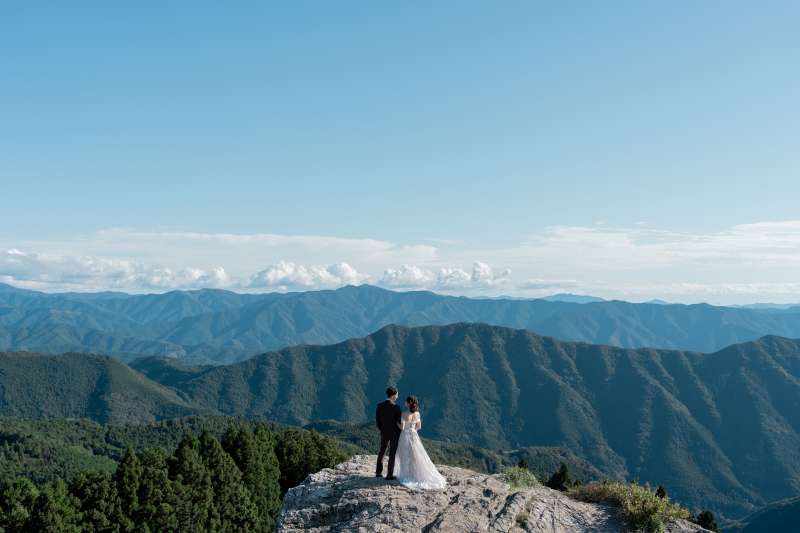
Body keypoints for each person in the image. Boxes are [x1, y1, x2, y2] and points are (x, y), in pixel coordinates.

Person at [393, 395, 447, 490]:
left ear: (409, 403)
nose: (405, 402)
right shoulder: (417, 414)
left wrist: (396, 422)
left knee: (405, 455)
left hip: (405, 436)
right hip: (414, 435)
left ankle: (408, 474)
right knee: (415, 455)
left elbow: (402, 427)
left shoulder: (404, 414)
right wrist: (412, 429)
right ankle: (417, 474)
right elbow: (419, 427)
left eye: (406, 401)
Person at [375, 386, 402, 479]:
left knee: (382, 452)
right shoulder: (397, 407)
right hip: (394, 433)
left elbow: (378, 420)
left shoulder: (380, 405)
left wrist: (382, 429)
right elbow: (399, 422)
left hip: (384, 432)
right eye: (396, 395)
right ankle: (389, 474)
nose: (397, 397)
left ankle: (378, 472)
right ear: (392, 396)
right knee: (392, 454)